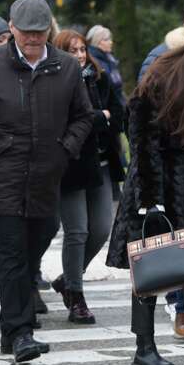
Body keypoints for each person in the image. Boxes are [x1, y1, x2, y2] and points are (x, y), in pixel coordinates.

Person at [0, 0, 93, 363]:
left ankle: (12, 330)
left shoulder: (66, 67)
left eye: (39, 33)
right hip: (0, 173)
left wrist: (65, 149)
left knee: (37, 241)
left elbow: (83, 116)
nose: (32, 39)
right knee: (11, 252)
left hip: (47, 174)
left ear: (48, 30)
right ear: (11, 28)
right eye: (26, 32)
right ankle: (20, 331)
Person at [106, 37, 184, 365]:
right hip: (153, 192)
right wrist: (150, 203)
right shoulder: (156, 86)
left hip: (182, 188)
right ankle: (144, 349)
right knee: (150, 268)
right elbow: (143, 149)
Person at [50, 30, 125, 325]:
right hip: (72, 166)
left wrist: (102, 117)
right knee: (77, 232)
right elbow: (67, 123)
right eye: (72, 50)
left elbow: (118, 115)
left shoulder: (100, 77)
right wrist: (99, 117)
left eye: (82, 49)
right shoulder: (56, 83)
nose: (79, 55)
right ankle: (76, 296)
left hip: (103, 164)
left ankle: (68, 279)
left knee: (102, 229)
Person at [86, 25, 126, 107]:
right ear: (97, 42)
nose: (111, 42)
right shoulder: (93, 62)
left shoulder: (110, 58)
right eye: (107, 39)